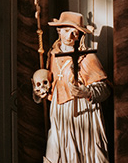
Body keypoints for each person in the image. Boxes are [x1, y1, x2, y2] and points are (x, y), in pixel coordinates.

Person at [39, 11, 110, 163]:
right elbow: (49, 83)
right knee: (56, 150)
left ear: (80, 35)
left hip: (83, 113)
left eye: (74, 32)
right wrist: (42, 90)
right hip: (59, 112)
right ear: (59, 31)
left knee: (81, 151)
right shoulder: (53, 54)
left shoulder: (87, 57)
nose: (70, 35)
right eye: (66, 30)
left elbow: (104, 89)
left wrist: (87, 92)